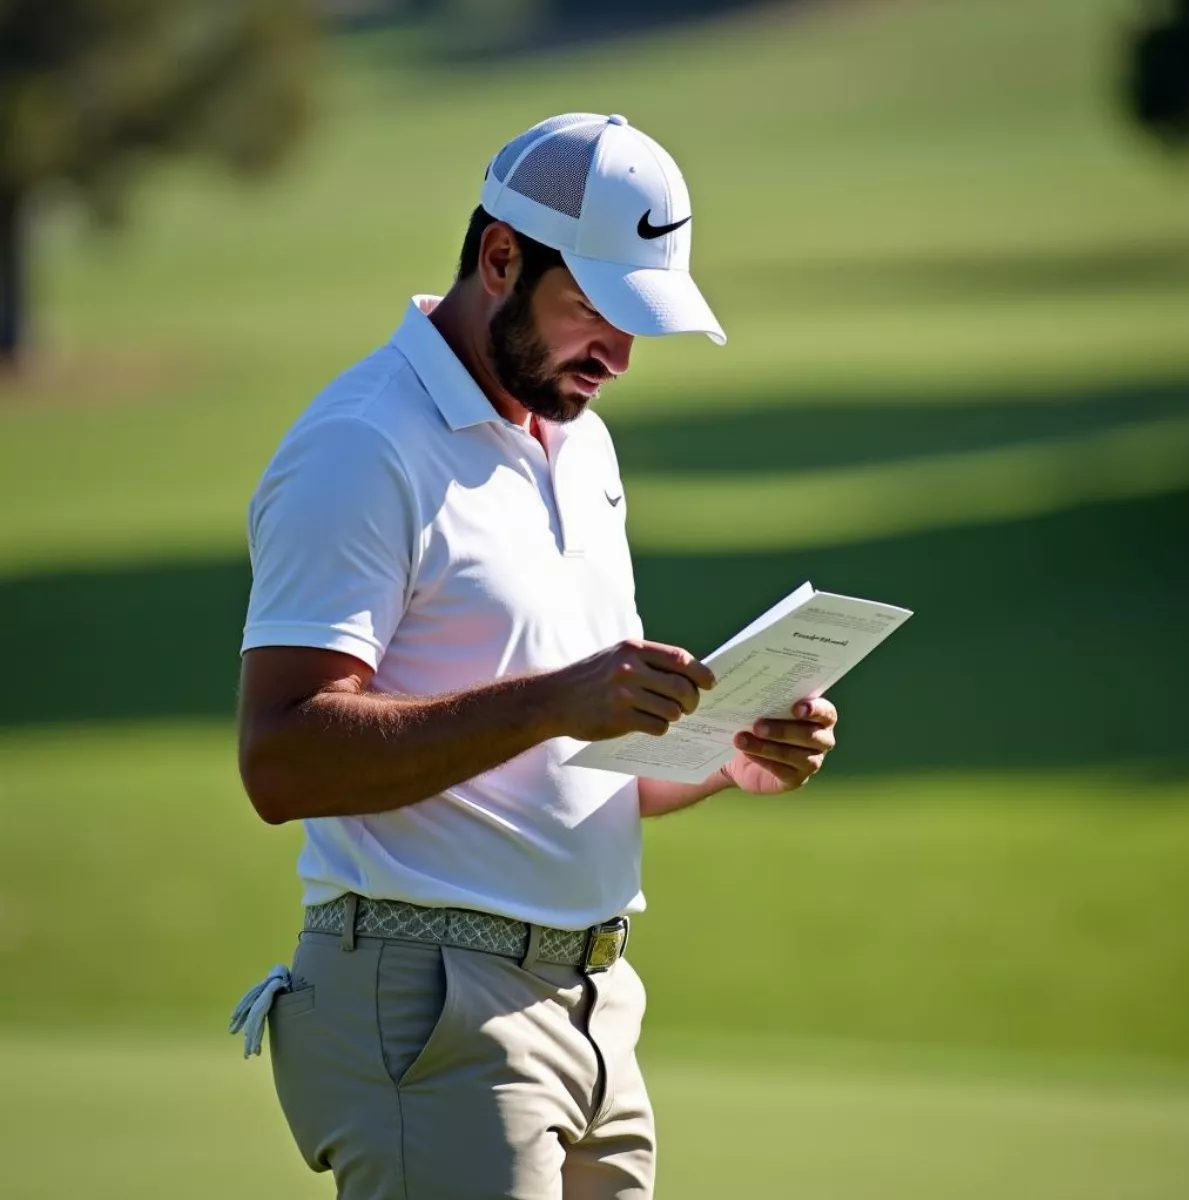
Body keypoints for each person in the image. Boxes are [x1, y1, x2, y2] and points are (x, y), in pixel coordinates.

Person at [229, 112, 838, 1200]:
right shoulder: (361, 445)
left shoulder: (581, 438)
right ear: (500, 257)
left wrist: (723, 756)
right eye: (597, 310)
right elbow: (281, 759)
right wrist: (558, 699)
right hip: (428, 1005)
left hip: (597, 1008)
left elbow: (577, 766)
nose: (618, 356)